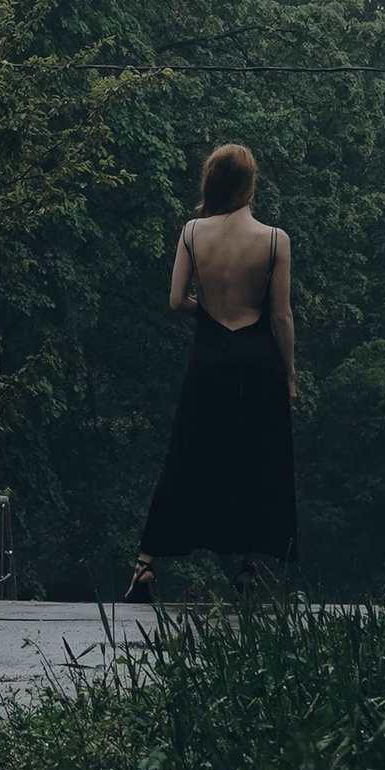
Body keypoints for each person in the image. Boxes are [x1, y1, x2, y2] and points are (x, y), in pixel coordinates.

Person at [127, 142, 297, 601]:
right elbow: (281, 316)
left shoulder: (192, 233)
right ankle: (248, 566)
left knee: (188, 454)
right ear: (249, 184)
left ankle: (146, 564)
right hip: (258, 361)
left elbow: (176, 301)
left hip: (209, 357)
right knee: (257, 458)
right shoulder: (275, 239)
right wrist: (290, 374)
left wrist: (208, 312)